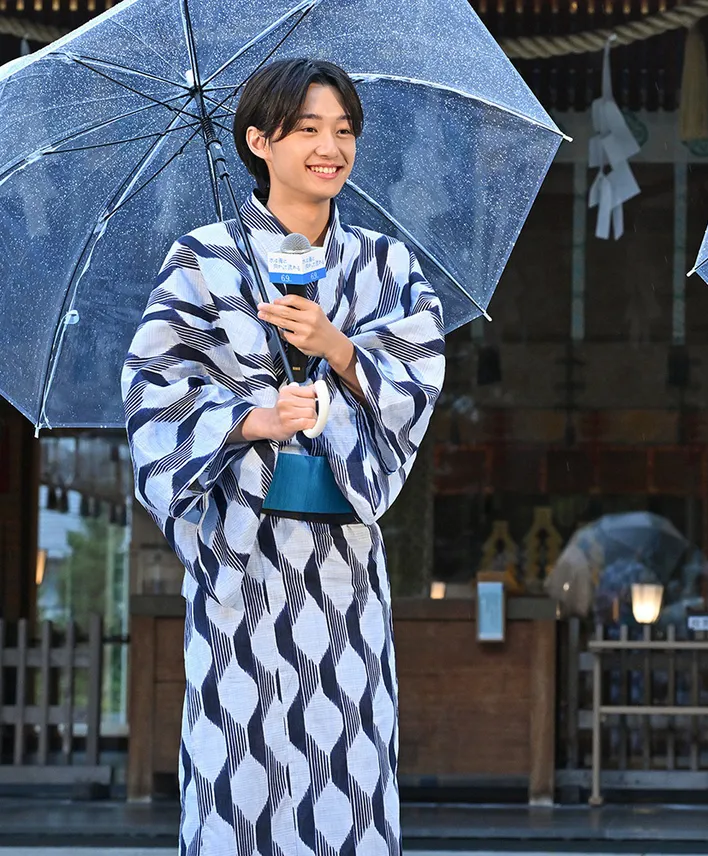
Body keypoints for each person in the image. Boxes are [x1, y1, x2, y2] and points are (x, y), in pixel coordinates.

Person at [122, 59, 444, 855]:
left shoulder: (386, 267)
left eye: (343, 131)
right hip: (242, 576)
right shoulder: (202, 261)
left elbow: (419, 378)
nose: (330, 147)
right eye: (307, 129)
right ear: (259, 141)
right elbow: (153, 398)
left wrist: (338, 350)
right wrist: (252, 419)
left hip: (344, 577)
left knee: (350, 774)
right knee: (240, 776)